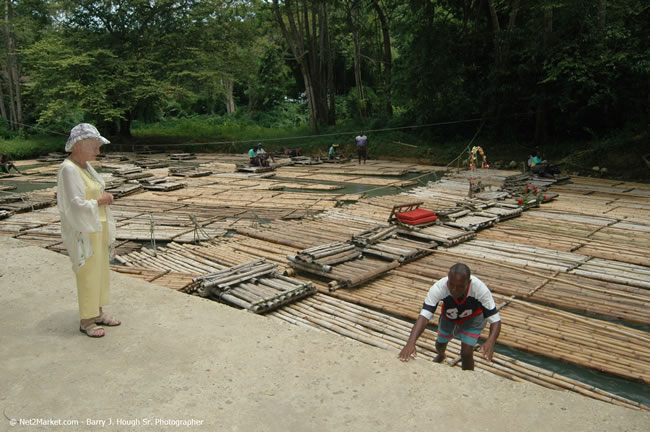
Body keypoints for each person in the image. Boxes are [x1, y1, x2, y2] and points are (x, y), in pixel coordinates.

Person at [57, 123, 119, 338]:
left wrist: (101, 200)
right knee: (88, 273)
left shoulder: (85, 166)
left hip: (98, 224)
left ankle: (98, 312)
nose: (98, 150)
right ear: (81, 145)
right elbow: (75, 203)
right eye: (95, 146)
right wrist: (101, 200)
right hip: (85, 229)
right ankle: (87, 320)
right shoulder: (69, 168)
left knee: (100, 271)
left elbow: (91, 193)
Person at [398, 263, 501, 370]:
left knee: (466, 353)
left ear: (469, 283)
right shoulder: (439, 287)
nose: (454, 290)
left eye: (460, 286)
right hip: (449, 318)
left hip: (473, 320)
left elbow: (495, 320)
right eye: (451, 285)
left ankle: (468, 377)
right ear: (448, 280)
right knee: (440, 344)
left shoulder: (480, 289)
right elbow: (424, 316)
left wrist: (491, 340)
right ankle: (441, 355)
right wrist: (410, 342)